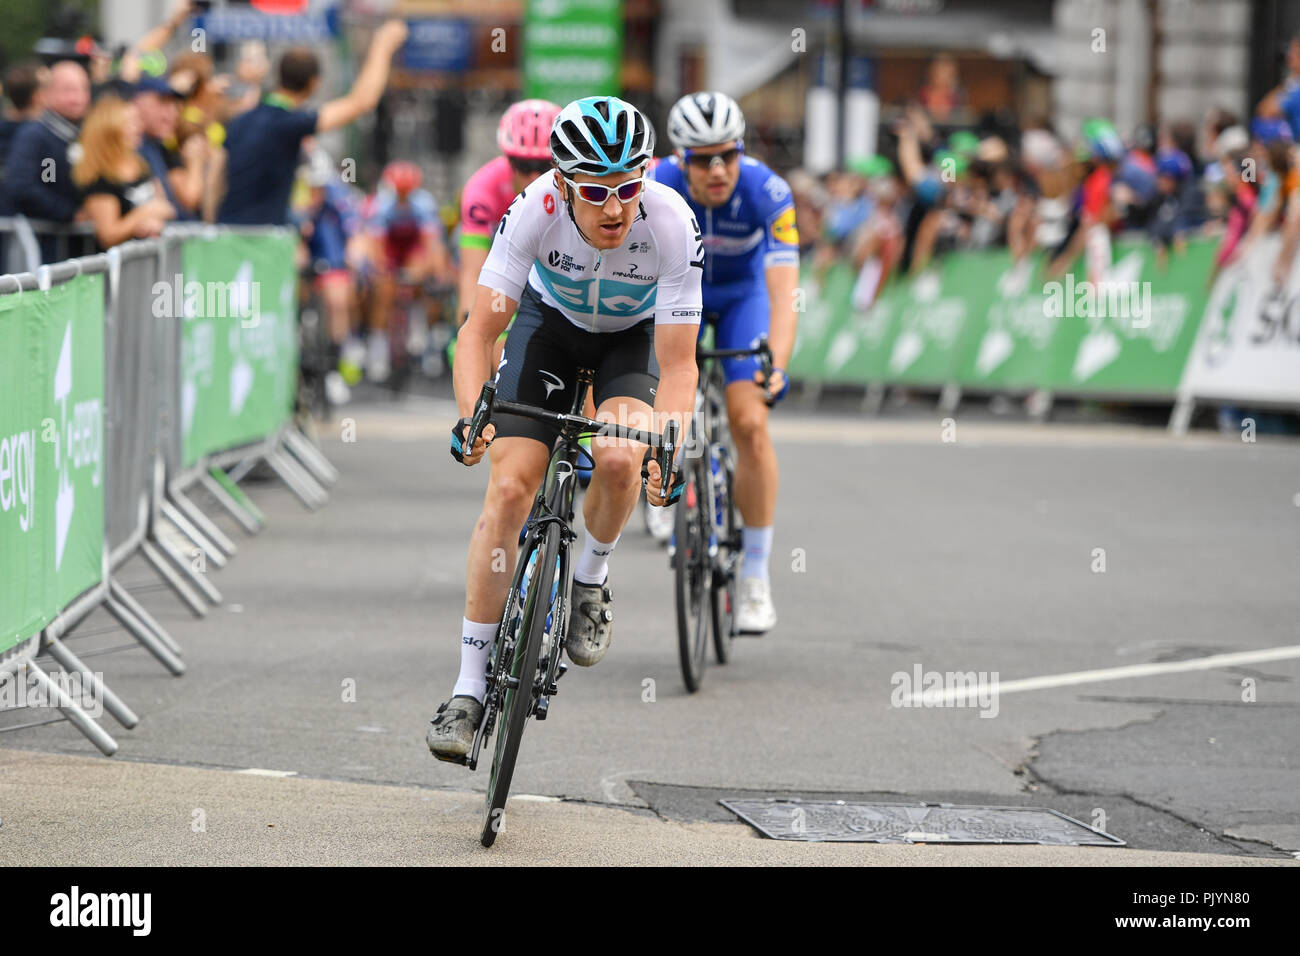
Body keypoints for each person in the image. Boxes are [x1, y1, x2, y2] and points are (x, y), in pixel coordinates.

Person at [426, 96, 704, 760]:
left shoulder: (670, 221)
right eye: (596, 191)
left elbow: (679, 366)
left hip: (630, 342)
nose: (614, 208)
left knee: (616, 458)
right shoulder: (533, 212)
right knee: (508, 492)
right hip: (548, 330)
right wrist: (472, 417)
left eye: (628, 188)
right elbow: (479, 332)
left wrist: (670, 443)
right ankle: (467, 689)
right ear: (560, 183)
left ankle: (590, 579)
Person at [650, 90, 798, 634]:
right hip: (675, 295)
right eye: (703, 158)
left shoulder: (768, 190)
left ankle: (755, 575)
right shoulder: (653, 184)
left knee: (750, 422)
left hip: (742, 299)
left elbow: (784, 296)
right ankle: (661, 479)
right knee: (654, 395)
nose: (718, 169)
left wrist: (775, 364)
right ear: (679, 158)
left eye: (728, 155)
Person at [217, 18, 408, 225]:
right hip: (261, 240)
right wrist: (382, 45)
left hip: (225, 232)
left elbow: (217, 177)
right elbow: (361, 103)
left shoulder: (242, 121)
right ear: (313, 83)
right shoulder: (288, 123)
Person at [456, 99, 563, 329]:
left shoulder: (575, 185)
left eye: (545, 166)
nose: (534, 178)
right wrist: (466, 324)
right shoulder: (482, 187)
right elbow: (473, 269)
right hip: (505, 273)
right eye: (524, 166)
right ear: (509, 161)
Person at [360, 160, 454, 382]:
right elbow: (376, 245)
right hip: (390, 248)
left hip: (412, 248)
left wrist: (436, 271)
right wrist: (382, 270)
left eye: (407, 191)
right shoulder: (381, 204)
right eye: (399, 190)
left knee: (424, 270)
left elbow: (432, 243)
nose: (403, 194)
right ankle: (378, 348)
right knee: (384, 290)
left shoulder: (424, 203)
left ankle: (418, 322)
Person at [72, 95, 175, 249]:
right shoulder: (99, 178)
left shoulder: (141, 165)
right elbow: (108, 235)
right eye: (130, 123)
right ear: (110, 131)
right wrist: (142, 215)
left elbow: (166, 208)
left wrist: (153, 222)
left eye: (137, 121)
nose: (138, 128)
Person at [3, 60, 91, 236]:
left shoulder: (80, 134)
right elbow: (30, 184)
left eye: (84, 88)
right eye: (68, 90)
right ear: (47, 94)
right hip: (42, 242)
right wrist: (69, 213)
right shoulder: (38, 136)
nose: (78, 98)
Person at [132, 75, 204, 219]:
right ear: (137, 102)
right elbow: (189, 199)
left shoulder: (159, 146)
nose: (172, 113)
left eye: (174, 104)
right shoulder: (129, 147)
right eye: (162, 102)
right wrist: (195, 161)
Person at [0, 62, 46, 209]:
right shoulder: (42, 137)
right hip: (29, 222)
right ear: (36, 96)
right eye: (47, 87)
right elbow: (49, 179)